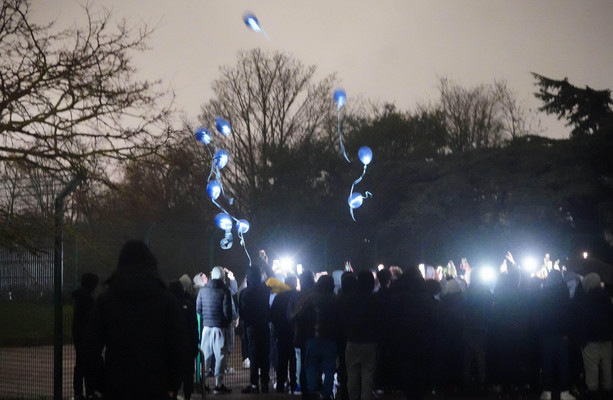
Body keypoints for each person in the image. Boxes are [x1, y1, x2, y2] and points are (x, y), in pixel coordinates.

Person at [85, 240, 189, 400]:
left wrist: (101, 382)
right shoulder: (166, 300)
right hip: (156, 384)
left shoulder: (105, 301)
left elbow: (91, 347)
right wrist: (172, 384)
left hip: (116, 384)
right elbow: (178, 346)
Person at [292, 274, 340, 400]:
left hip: (312, 337)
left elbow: (299, 315)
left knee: (310, 366)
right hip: (330, 338)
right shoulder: (335, 299)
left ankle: (312, 391)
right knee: (329, 368)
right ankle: (327, 393)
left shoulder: (311, 297)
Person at [196, 266, 233, 394]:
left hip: (206, 327)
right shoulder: (225, 290)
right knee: (220, 357)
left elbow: (198, 309)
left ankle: (202, 383)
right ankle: (219, 384)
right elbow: (227, 312)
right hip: (220, 328)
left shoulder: (202, 290)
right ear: (222, 276)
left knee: (205, 356)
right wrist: (227, 323)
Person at [576, 273, 613, 398]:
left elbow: (585, 320)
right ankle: (608, 391)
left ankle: (593, 393)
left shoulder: (587, 299)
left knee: (592, 370)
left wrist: (582, 340)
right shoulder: (607, 297)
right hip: (607, 339)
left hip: (591, 340)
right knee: (607, 368)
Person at [240, 265, 272, 394]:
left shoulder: (245, 292)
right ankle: (264, 383)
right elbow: (270, 278)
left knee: (254, 356)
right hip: (264, 326)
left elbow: (243, 312)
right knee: (265, 355)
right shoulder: (265, 289)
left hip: (251, 327)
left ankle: (254, 384)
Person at [169, 281, 199, 400]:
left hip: (173, 349)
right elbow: (194, 327)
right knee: (188, 376)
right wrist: (195, 345)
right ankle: (187, 396)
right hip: (187, 348)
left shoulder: (169, 307)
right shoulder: (189, 306)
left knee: (173, 376)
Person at [72, 272, 99, 400]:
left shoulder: (80, 298)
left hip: (79, 337)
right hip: (86, 338)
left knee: (80, 366)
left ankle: (78, 392)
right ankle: (90, 392)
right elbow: (91, 319)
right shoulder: (87, 299)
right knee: (89, 366)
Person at [271, 276, 299, 393]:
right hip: (295, 332)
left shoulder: (279, 297)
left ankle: (280, 384)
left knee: (282, 360)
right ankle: (293, 384)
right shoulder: (298, 296)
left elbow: (272, 314)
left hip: (281, 332)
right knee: (294, 360)